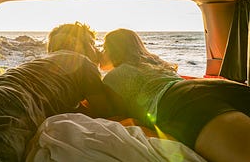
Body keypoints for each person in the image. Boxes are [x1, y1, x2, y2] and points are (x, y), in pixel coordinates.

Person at [0, 22, 114, 161]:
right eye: (92, 43)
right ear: (80, 45)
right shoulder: (83, 63)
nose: (96, 49)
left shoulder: (40, 61)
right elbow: (104, 110)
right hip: (7, 110)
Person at [100, 28, 250, 162]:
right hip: (214, 87)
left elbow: (105, 114)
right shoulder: (155, 63)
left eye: (104, 48)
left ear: (113, 50)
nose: (102, 52)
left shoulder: (114, 76)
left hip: (180, 102)